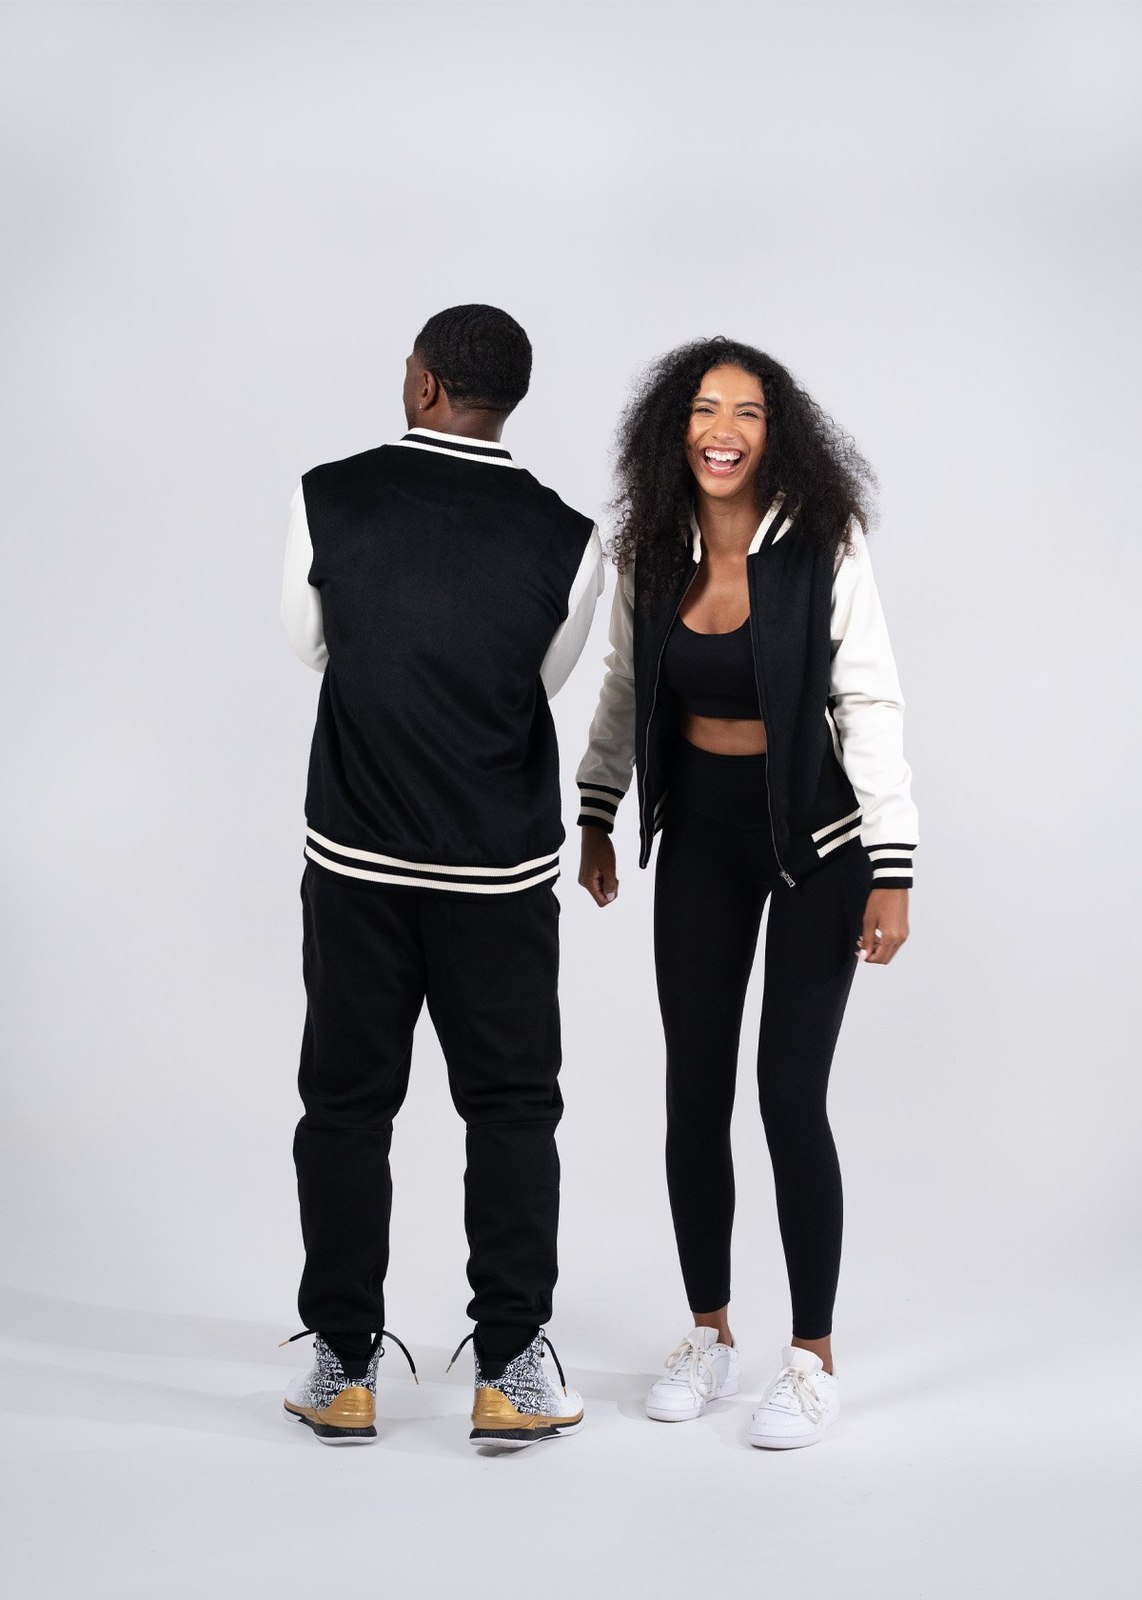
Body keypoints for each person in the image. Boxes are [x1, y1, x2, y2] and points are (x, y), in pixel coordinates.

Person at [576, 338, 917, 1449]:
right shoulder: (650, 547)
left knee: (786, 1096)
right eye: (704, 409)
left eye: (748, 412)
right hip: (700, 840)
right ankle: (708, 1332)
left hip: (818, 844)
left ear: (778, 435)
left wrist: (893, 867)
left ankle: (811, 1358)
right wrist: (596, 810)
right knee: (694, 1092)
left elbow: (868, 701)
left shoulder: (822, 541)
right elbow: (625, 686)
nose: (723, 430)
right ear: (673, 427)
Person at [279, 304, 603, 1448]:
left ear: (422, 384)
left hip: (357, 861)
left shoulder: (327, 496)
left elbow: (310, 644)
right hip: (496, 876)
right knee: (512, 1109)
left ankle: (343, 1365)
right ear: (506, 399)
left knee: (345, 1106)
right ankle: (511, 1369)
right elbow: (539, 678)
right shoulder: (569, 538)